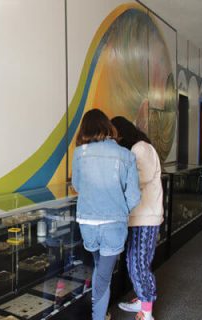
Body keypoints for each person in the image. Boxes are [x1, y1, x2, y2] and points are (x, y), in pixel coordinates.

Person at [72, 109, 141, 320]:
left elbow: (77, 185)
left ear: (85, 129)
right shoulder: (126, 155)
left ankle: (101, 315)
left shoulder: (80, 153)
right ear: (107, 127)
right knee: (103, 276)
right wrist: (119, 209)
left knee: (100, 272)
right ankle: (99, 317)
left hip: (88, 224)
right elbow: (135, 196)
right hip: (113, 225)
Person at [111, 116, 163, 320]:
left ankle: (147, 312)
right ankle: (143, 300)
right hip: (139, 216)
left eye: (114, 135)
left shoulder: (140, 148)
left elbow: (139, 178)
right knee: (136, 260)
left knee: (139, 263)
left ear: (122, 132)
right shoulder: (137, 148)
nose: (114, 140)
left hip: (145, 216)